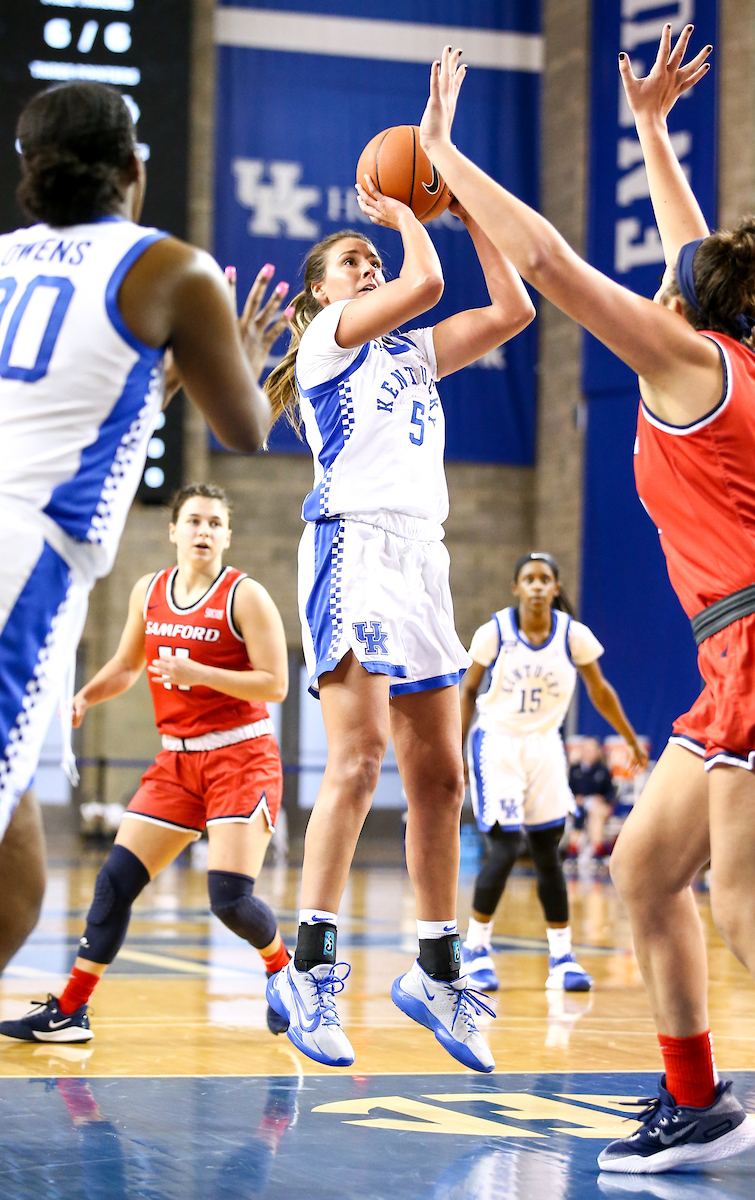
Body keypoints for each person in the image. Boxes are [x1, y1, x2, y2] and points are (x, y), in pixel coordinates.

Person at [419, 27, 755, 1177]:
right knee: (640, 871)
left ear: (676, 311)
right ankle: (696, 1102)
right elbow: (692, 247)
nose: (646, 289)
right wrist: (645, 129)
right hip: (746, 641)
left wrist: (444, 151)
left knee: (752, 909)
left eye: (656, 290)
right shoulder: (739, 357)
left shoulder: (681, 361)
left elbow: (541, 257)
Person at [0, 81, 289, 970]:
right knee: (15, 880)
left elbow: (88, 402)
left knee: (20, 867)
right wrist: (246, 363)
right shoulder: (170, 269)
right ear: (134, 170)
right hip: (23, 565)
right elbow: (244, 430)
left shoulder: (6, 256)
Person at [263, 179, 535, 1073]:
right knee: (361, 756)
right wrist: (410, 216)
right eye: (352, 260)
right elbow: (421, 282)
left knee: (442, 779)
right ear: (320, 293)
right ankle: (309, 966)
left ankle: (435, 968)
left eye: (368, 254)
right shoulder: (324, 343)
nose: (368, 261)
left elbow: (511, 307)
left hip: (425, 559)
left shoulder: (410, 353)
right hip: (355, 546)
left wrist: (474, 216)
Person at [0, 483, 290, 1042]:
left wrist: (202, 674)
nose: (203, 531)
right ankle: (70, 1010)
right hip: (178, 763)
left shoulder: (244, 596)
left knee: (230, 900)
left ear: (227, 535)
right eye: (194, 521)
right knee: (112, 884)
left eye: (214, 523)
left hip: (240, 755)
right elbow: (129, 666)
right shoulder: (148, 591)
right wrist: (86, 696)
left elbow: (276, 683)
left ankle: (283, 972)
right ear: (174, 531)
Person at [459, 552, 645, 994]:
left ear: (556, 588)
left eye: (546, 579)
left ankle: (562, 957)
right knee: (504, 850)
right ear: (516, 588)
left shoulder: (573, 636)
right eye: (530, 578)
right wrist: (455, 747)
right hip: (497, 742)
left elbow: (600, 691)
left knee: (548, 853)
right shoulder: (495, 632)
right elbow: (468, 690)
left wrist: (631, 738)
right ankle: (476, 950)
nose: (538, 585)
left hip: (545, 745)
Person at [568, 736, 617, 870]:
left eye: (592, 750)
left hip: (597, 806)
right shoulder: (574, 769)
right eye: (586, 750)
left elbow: (611, 793)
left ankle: (597, 851)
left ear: (597, 752)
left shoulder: (602, 770)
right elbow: (566, 790)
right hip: (578, 805)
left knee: (596, 812)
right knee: (578, 814)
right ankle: (573, 850)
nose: (588, 753)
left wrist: (601, 799)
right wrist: (575, 799)